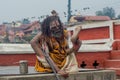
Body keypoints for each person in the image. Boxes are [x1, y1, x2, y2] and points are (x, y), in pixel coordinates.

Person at [30, 11, 82, 78]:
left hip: (64, 62)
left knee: (78, 43)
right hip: (50, 64)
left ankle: (75, 38)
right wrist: (58, 70)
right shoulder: (45, 37)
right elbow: (33, 42)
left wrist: (73, 48)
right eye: (54, 27)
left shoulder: (64, 34)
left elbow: (64, 52)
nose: (57, 29)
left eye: (58, 26)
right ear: (48, 29)